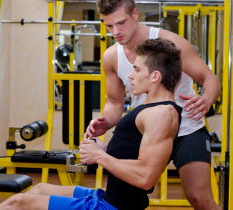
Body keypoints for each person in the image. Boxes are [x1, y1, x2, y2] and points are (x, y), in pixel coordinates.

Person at [0, 38, 182, 210]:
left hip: (112, 207)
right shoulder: (153, 108)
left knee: (18, 204)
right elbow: (134, 154)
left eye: (137, 69)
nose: (131, 75)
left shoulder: (162, 114)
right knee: (39, 189)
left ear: (155, 76)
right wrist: (104, 149)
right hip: (108, 197)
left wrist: (99, 156)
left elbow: (146, 178)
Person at [84, 1, 221, 210]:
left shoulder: (170, 43)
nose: (116, 32)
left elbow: (209, 78)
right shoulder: (111, 56)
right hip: (147, 132)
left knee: (199, 199)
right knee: (124, 198)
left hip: (187, 128)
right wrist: (106, 122)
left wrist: (206, 98)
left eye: (121, 23)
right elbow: (114, 102)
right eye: (109, 26)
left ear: (135, 14)